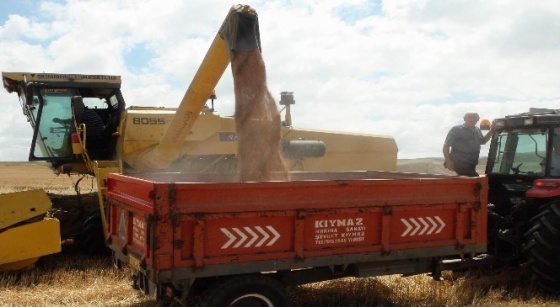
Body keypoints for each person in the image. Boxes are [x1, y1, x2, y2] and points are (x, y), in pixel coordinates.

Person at [443, 112, 496, 177]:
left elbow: (483, 141)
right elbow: (446, 145)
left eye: (474, 118)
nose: (472, 119)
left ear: (478, 119)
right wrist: (448, 161)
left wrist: (492, 130)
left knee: (469, 180)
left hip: (471, 163)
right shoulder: (457, 129)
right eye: (469, 117)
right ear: (464, 119)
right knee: (475, 180)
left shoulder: (477, 130)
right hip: (459, 161)